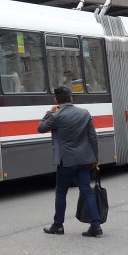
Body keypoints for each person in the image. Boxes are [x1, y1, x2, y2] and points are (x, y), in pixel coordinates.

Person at [39, 85, 103, 238]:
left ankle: (58, 225)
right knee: (86, 190)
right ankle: (96, 226)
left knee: (61, 193)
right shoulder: (84, 113)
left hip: (66, 161)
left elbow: (41, 128)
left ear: (56, 100)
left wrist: (49, 112)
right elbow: (93, 137)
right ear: (71, 98)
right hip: (84, 159)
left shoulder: (56, 116)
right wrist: (95, 158)